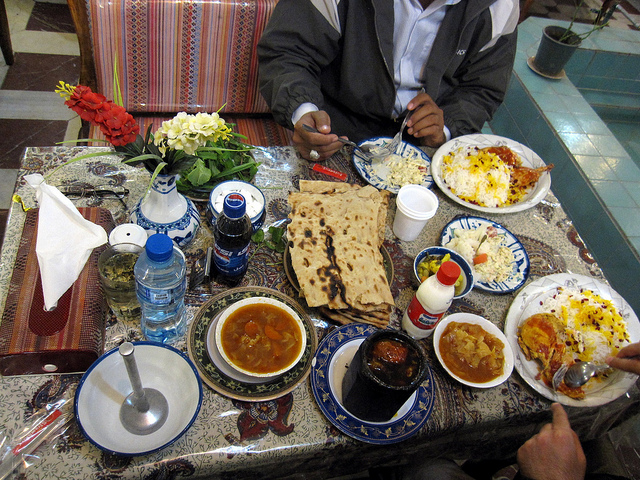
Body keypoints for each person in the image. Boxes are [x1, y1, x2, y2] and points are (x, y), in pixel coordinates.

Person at [257, 0, 519, 161]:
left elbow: (482, 88)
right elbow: (288, 52)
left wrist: (446, 128)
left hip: (423, 150)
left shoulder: (499, 5)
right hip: (336, 134)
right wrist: (304, 111)